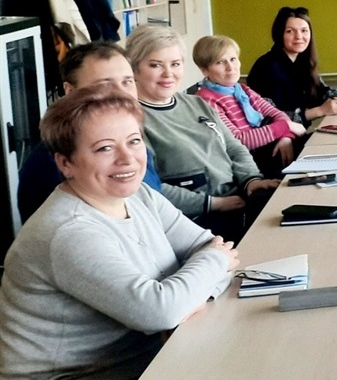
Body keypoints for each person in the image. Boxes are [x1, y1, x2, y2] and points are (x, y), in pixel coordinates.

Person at [0, 85, 237, 380]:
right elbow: (163, 307)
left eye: (134, 141)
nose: (127, 159)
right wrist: (202, 277)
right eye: (104, 148)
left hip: (150, 364)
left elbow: (210, 248)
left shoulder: (139, 196)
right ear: (65, 163)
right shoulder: (67, 232)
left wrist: (191, 298)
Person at [126, 25, 280, 243]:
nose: (168, 73)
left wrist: (252, 180)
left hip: (239, 198)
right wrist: (214, 204)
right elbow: (146, 187)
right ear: (134, 68)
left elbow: (234, 148)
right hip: (195, 220)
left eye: (175, 64)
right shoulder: (131, 120)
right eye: (156, 65)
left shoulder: (197, 104)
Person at [17, 41, 163, 222]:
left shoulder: (126, 140)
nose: (122, 94)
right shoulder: (53, 163)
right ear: (70, 91)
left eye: (127, 82)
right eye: (105, 85)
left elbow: (155, 203)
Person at [193, 35, 308, 178]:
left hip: (267, 151)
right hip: (247, 168)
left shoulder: (242, 89)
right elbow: (239, 142)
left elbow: (276, 113)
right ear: (205, 70)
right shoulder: (206, 101)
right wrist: (287, 127)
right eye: (220, 62)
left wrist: (286, 137)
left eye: (233, 59)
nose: (230, 67)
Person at [247, 6, 337, 127]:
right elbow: (271, 119)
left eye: (304, 30)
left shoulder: (302, 60)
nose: (299, 36)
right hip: (277, 136)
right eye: (290, 31)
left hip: (299, 131)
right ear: (279, 34)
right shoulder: (267, 67)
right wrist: (320, 111)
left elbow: (322, 91)